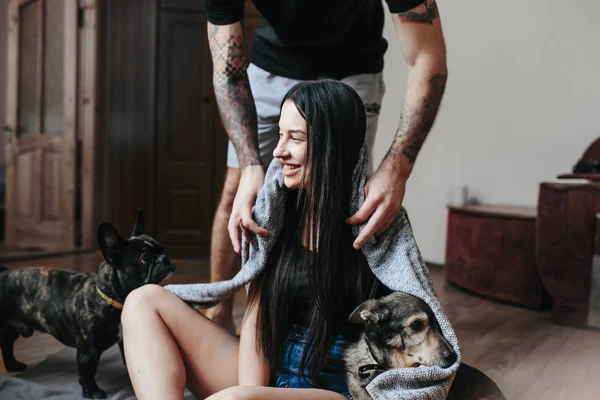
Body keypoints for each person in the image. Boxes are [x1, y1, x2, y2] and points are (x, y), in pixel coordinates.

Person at [121, 80, 454, 399]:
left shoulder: (377, 223)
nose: (279, 152)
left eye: (295, 138)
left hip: (335, 389)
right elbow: (256, 318)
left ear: (332, 146)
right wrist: (254, 393)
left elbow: (414, 331)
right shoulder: (277, 211)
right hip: (273, 371)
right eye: (281, 135)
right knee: (143, 302)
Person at [205, 0, 448, 332]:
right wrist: (249, 165)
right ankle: (219, 316)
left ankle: (332, 329)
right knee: (237, 190)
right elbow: (228, 72)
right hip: (272, 66)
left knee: (348, 201)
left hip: (353, 68)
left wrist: (397, 169)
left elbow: (427, 58)